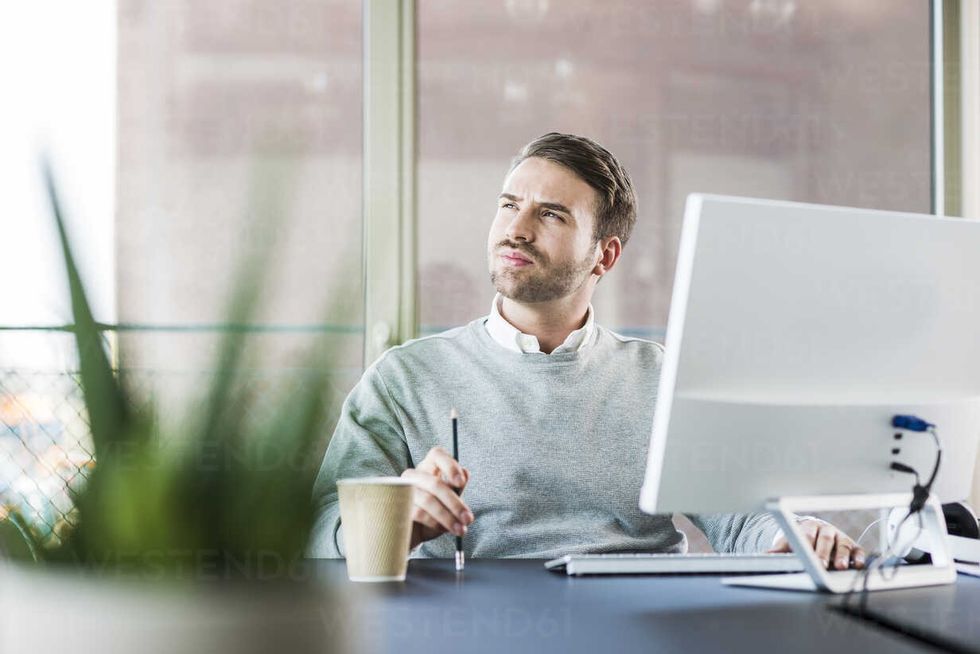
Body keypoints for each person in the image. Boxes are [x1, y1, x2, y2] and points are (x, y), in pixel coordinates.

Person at [309, 132, 865, 569]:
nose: (516, 230)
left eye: (550, 214)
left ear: (605, 256)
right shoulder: (405, 378)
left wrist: (794, 536)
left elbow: (744, 525)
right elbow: (316, 535)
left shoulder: (663, 379)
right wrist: (394, 518)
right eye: (508, 205)